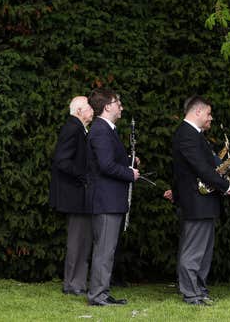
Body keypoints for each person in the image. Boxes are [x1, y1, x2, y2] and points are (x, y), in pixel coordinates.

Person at [172, 95, 230, 306]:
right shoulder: (187, 134)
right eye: (208, 112)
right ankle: (191, 293)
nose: (210, 116)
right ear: (197, 111)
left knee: (203, 251)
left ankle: (199, 290)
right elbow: (200, 167)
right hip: (196, 200)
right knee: (193, 251)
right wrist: (224, 184)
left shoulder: (195, 134)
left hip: (203, 201)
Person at [86, 88, 140, 306]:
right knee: (104, 250)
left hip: (109, 200)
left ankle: (102, 293)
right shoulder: (100, 130)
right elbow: (105, 165)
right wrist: (130, 173)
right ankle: (97, 296)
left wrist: (128, 162)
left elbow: (109, 160)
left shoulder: (107, 130)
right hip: (106, 200)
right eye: (118, 103)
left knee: (107, 250)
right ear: (107, 106)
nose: (121, 107)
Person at [49, 96, 94, 296]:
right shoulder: (73, 128)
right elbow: (62, 160)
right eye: (89, 107)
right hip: (75, 194)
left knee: (83, 239)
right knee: (78, 240)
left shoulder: (79, 129)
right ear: (78, 111)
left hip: (78, 194)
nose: (93, 110)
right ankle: (73, 284)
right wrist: (84, 175)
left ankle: (78, 282)